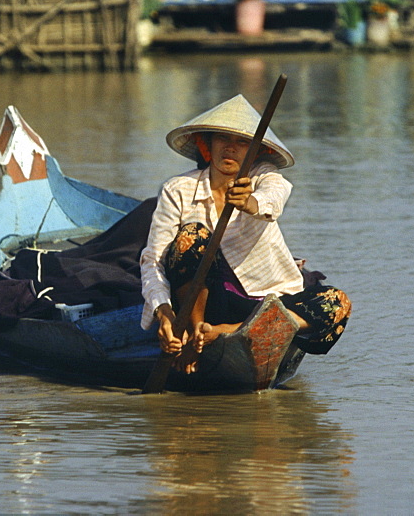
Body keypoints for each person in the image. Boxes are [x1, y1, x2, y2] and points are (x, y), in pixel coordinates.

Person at [139, 94, 351, 373]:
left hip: (262, 304)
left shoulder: (265, 177)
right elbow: (154, 259)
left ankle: (230, 330)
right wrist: (164, 313)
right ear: (207, 144)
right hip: (203, 302)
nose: (231, 149)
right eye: (223, 140)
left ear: (255, 151)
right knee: (191, 236)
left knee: (337, 303)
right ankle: (195, 335)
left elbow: (274, 197)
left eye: (242, 142)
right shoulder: (177, 189)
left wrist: (249, 202)